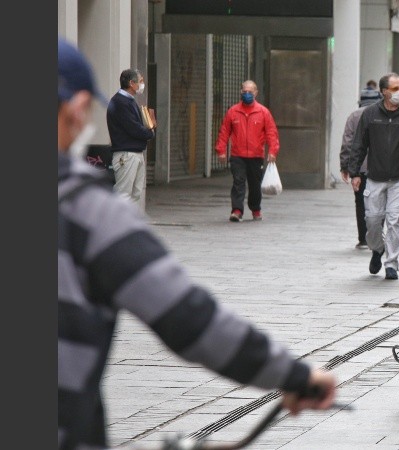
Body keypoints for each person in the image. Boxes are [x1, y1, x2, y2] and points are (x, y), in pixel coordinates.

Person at [58, 38, 336, 450]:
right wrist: (294, 377)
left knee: (248, 188)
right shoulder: (83, 209)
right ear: (79, 109)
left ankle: (248, 209)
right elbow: (188, 317)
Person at [347, 72, 399, 280]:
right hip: (375, 177)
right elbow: (359, 144)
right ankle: (377, 248)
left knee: (394, 221)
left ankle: (391, 263)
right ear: (384, 92)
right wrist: (354, 172)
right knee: (372, 220)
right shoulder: (370, 114)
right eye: (394, 89)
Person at [215, 80, 280, 222]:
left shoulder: (263, 112)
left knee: (255, 184)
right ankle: (237, 210)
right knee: (238, 182)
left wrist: (273, 151)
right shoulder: (233, 112)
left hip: (256, 156)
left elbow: (271, 133)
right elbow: (224, 132)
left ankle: (256, 209)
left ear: (256, 93)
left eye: (250, 92)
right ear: (241, 92)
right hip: (238, 155)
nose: (247, 94)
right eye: (244, 92)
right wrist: (221, 150)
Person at [339, 86, 383, 250]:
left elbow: (348, 143)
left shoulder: (354, 116)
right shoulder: (382, 114)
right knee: (380, 201)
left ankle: (363, 238)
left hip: (360, 168)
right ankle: (378, 235)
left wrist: (346, 166)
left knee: (360, 201)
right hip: (380, 167)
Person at [106, 68, 156, 210]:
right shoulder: (120, 102)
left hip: (135, 153)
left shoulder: (129, 101)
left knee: (135, 193)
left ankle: (127, 226)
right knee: (123, 193)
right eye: (140, 81)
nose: (142, 84)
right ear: (131, 83)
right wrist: (149, 133)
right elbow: (133, 128)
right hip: (126, 155)